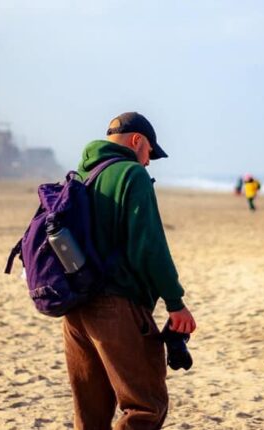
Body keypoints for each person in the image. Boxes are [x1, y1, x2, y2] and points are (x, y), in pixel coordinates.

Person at [64, 112, 196, 429]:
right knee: (146, 407)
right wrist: (175, 303)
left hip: (75, 309)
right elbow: (148, 247)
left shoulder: (82, 175)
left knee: (91, 415)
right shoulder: (131, 174)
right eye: (150, 152)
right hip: (115, 307)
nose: (148, 162)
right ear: (137, 141)